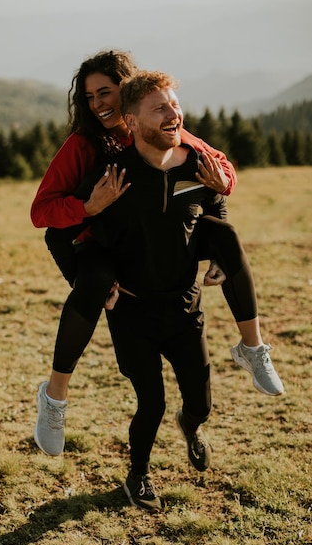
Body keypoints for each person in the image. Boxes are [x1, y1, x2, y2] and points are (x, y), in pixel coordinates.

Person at [30, 50, 283, 459]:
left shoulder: (159, 126)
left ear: (128, 96)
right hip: (99, 244)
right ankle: (55, 398)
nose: (97, 104)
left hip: (160, 247)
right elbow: (42, 215)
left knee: (227, 236)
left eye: (106, 92)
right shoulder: (84, 146)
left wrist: (225, 184)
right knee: (95, 283)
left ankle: (252, 348)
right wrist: (88, 209)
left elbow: (215, 166)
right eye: (90, 96)